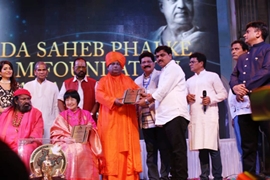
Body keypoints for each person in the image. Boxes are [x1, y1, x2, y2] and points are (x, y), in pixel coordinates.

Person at [137, 46, 190, 180]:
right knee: (172, 151)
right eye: (158, 56)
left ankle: (181, 177)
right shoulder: (165, 70)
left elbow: (162, 91)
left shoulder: (173, 68)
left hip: (175, 114)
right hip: (167, 116)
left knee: (178, 151)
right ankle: (175, 176)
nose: (159, 58)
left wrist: (147, 101)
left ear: (170, 56)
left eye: (162, 55)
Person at [229, 21, 270, 177]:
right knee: (248, 145)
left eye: (248, 31)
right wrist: (235, 88)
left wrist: (245, 87)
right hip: (245, 104)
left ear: (258, 33)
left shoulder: (267, 49)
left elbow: (267, 70)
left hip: (263, 98)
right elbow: (234, 76)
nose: (245, 34)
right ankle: (249, 176)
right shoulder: (243, 56)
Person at [96, 51, 142, 180]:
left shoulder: (128, 80)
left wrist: (142, 94)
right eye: (113, 64)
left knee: (128, 152)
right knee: (111, 151)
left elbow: (137, 92)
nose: (115, 66)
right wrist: (113, 101)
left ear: (122, 66)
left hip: (127, 122)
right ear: (108, 66)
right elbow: (99, 95)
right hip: (110, 124)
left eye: (118, 64)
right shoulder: (103, 81)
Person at [149, 0, 219, 78]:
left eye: (187, 0)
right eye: (173, 0)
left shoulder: (207, 40)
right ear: (161, 6)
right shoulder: (151, 37)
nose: (181, 6)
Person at [186, 52, 227, 180]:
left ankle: (217, 176)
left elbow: (223, 93)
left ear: (201, 63)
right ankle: (204, 176)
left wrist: (210, 99)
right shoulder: (189, 81)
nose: (190, 64)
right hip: (196, 117)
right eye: (190, 62)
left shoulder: (212, 76)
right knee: (201, 147)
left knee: (213, 147)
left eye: (193, 62)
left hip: (209, 115)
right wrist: (187, 98)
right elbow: (185, 98)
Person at [51, 89, 101, 180]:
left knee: (81, 148)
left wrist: (90, 129)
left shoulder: (86, 114)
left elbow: (94, 130)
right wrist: (65, 139)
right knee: (71, 150)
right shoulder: (61, 115)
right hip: (66, 144)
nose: (70, 102)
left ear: (77, 101)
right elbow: (55, 134)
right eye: (67, 100)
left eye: (72, 99)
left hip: (84, 144)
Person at [134, 51, 170, 180]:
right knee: (151, 151)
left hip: (160, 117)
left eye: (149, 61)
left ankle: (165, 176)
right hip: (145, 119)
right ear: (140, 65)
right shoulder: (137, 81)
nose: (146, 64)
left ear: (154, 63)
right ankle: (153, 177)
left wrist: (147, 93)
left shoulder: (161, 76)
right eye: (143, 62)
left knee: (164, 148)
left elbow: (163, 92)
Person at [0, 88, 44, 170]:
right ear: (16, 101)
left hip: (27, 144)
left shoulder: (36, 113)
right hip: (8, 145)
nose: (27, 101)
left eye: (28, 99)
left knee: (24, 150)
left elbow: (37, 132)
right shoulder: (6, 114)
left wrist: (26, 141)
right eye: (23, 99)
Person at [24, 61, 59, 139]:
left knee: (47, 146)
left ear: (47, 72)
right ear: (35, 72)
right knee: (32, 145)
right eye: (39, 70)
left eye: (44, 70)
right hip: (31, 121)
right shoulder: (27, 86)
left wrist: (56, 123)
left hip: (48, 122)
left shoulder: (53, 86)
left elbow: (56, 106)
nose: (42, 72)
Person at [228, 40, 249, 155]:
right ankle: (247, 171)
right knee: (242, 146)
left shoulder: (249, 69)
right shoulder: (236, 69)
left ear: (245, 51)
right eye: (232, 49)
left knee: (248, 145)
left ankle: (255, 171)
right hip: (238, 112)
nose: (233, 52)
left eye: (237, 49)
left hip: (248, 110)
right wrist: (233, 114)